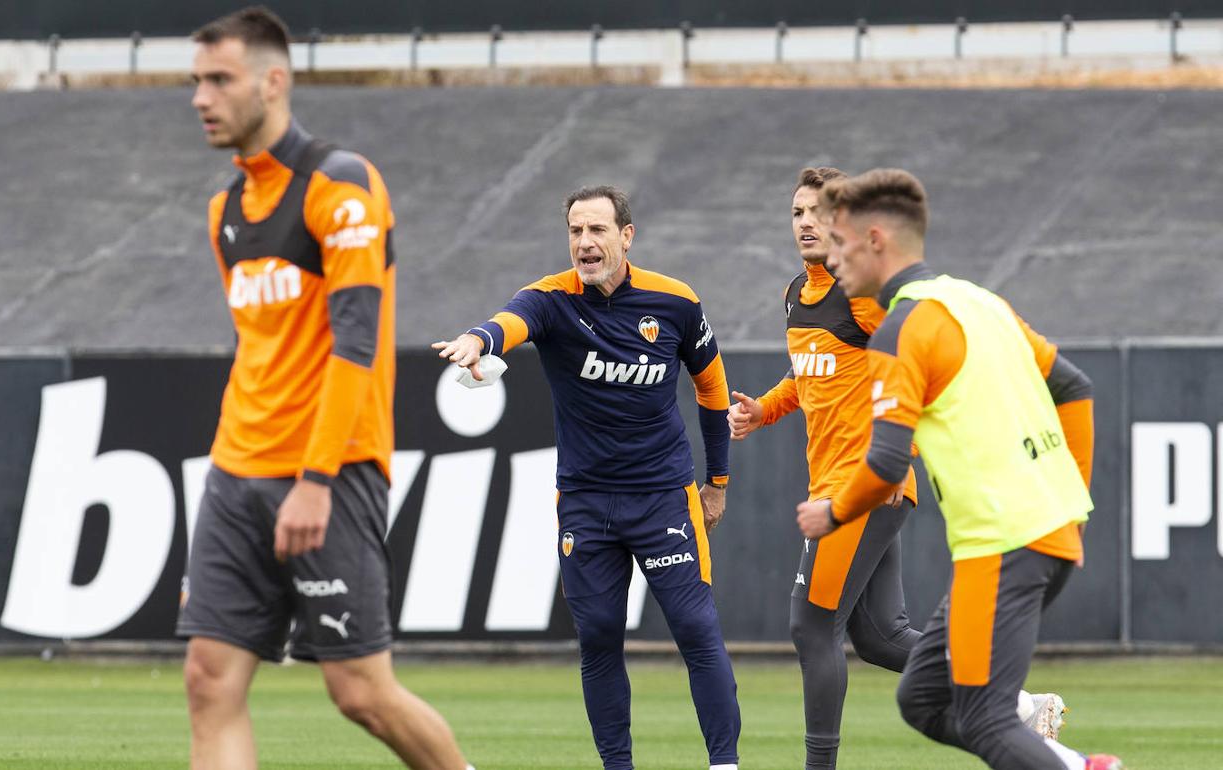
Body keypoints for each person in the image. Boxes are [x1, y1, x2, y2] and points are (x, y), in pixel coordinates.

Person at [178, 8, 474, 770]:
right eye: (196, 81)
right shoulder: (224, 214)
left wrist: (313, 480)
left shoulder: (340, 186)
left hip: (329, 474)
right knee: (208, 680)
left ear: (273, 82)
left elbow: (357, 341)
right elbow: (259, 352)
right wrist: (226, 479)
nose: (201, 97)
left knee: (360, 692)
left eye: (219, 79)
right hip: (237, 472)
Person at [728, 167, 1066, 770]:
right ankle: (1019, 706)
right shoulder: (794, 294)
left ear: (847, 225)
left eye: (819, 212)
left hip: (862, 486)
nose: (807, 222)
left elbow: (911, 363)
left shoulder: (860, 297)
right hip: (852, 488)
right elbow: (808, 378)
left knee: (811, 627)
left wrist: (895, 449)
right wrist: (764, 409)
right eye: (797, 212)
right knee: (881, 637)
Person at [796, 168, 1122, 770]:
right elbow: (1074, 386)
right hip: (1041, 536)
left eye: (840, 242)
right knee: (921, 698)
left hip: (1002, 544)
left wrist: (834, 510)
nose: (832, 256)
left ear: (875, 241)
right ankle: (1078, 765)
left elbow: (889, 459)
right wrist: (1073, 499)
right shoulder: (977, 300)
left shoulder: (900, 329)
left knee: (985, 719)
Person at [433, 186, 741, 770]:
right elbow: (508, 323)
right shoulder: (551, 299)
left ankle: (724, 766)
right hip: (586, 501)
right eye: (575, 231)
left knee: (696, 630)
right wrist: (475, 341)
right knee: (599, 638)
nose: (584, 243)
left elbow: (713, 390)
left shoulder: (675, 301)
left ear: (627, 236)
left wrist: (717, 481)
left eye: (597, 230)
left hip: (663, 499)